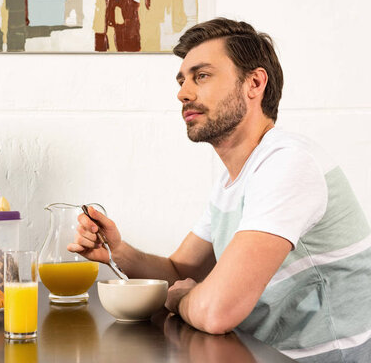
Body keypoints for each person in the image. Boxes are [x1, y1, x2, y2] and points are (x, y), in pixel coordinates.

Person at [68, 18, 371, 361]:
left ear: (254, 83)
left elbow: (216, 312)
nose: (183, 92)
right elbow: (181, 272)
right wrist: (118, 252)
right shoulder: (233, 181)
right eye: (182, 80)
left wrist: (181, 298)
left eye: (202, 75)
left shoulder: (288, 165)